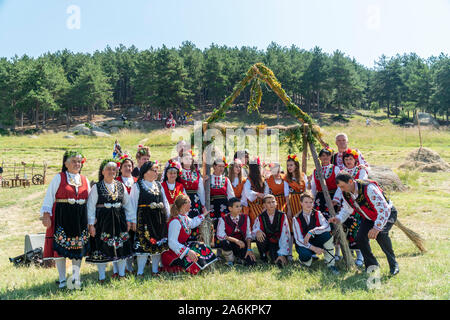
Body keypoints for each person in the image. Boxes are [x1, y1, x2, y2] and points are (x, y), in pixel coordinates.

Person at [329, 172, 399, 275]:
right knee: (360, 237)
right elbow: (347, 209)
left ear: (350, 181)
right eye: (340, 187)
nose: (342, 190)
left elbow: (384, 209)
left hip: (387, 213)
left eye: (343, 186)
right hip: (369, 217)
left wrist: (376, 228)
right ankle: (372, 265)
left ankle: (394, 265)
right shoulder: (346, 193)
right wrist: (339, 218)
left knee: (381, 235)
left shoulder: (368, 188)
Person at [40, 150, 90, 289]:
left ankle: (75, 278)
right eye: (74, 161)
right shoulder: (59, 178)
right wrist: (46, 215)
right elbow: (49, 197)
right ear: (66, 163)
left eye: (79, 161)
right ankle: (62, 279)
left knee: (77, 248)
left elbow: (90, 201)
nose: (77, 164)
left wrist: (91, 219)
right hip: (61, 216)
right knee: (61, 248)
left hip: (80, 218)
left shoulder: (85, 180)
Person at [85, 159, 134, 283]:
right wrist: (91, 224)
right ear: (102, 171)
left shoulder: (120, 185)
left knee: (121, 246)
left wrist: (129, 219)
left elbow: (127, 204)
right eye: (108, 169)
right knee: (102, 247)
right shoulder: (97, 187)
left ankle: (122, 274)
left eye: (114, 169)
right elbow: (90, 206)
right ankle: (102, 277)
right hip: (103, 221)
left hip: (119, 220)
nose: (111, 171)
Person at [130, 161, 171, 277]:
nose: (156, 172)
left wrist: (167, 215)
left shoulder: (158, 185)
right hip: (144, 219)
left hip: (159, 219)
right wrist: (133, 221)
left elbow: (165, 201)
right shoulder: (137, 186)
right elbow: (132, 204)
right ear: (145, 172)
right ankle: (140, 272)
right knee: (144, 246)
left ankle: (155, 270)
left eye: (157, 170)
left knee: (158, 245)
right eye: (154, 170)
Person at [161, 194, 218, 275]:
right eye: (189, 203)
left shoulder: (184, 218)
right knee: (194, 255)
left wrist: (203, 215)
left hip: (179, 250)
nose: (191, 205)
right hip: (171, 255)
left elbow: (193, 222)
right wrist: (187, 251)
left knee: (200, 246)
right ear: (184, 205)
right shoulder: (175, 221)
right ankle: (193, 269)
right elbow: (172, 242)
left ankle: (204, 267)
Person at [332, 150, 368, 267]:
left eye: (350, 159)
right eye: (346, 159)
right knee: (347, 229)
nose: (348, 161)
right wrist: (336, 200)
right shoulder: (342, 172)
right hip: (347, 203)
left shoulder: (361, 170)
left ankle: (360, 257)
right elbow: (339, 188)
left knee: (356, 230)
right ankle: (349, 254)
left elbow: (363, 183)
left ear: (355, 160)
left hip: (359, 204)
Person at [292, 192, 339, 275]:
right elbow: (299, 239)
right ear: (301, 203)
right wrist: (314, 249)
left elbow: (327, 226)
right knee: (305, 255)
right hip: (304, 244)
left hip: (316, 240)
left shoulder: (318, 213)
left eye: (310, 202)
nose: (308, 205)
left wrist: (312, 231)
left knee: (327, 235)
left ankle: (330, 264)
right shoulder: (296, 218)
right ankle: (304, 262)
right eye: (306, 202)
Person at [114, 154, 138, 275]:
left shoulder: (137, 181)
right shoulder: (116, 181)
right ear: (120, 168)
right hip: (119, 215)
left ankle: (129, 266)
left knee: (131, 241)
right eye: (125, 166)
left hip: (134, 215)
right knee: (119, 241)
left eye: (130, 166)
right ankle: (116, 268)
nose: (128, 168)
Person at [252, 194, 290, 267]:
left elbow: (284, 234)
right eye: (268, 203)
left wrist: (282, 253)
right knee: (259, 236)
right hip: (266, 242)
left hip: (278, 242)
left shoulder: (282, 215)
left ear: (276, 203)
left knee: (275, 259)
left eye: (273, 202)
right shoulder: (260, 217)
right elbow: (253, 231)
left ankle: (277, 256)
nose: (271, 204)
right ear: (264, 205)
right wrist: (257, 231)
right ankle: (264, 255)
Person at [216, 198, 256, 267]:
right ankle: (230, 260)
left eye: (240, 206)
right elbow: (220, 235)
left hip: (242, 244)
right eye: (237, 206)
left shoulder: (245, 217)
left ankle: (240, 258)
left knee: (251, 263)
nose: (240, 208)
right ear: (230, 208)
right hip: (230, 244)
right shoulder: (223, 219)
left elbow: (248, 234)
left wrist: (249, 249)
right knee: (224, 242)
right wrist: (236, 240)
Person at [179, 150, 207, 242]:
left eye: (190, 159)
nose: (188, 160)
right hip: (182, 200)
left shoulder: (196, 173)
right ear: (182, 160)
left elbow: (201, 190)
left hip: (195, 201)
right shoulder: (178, 172)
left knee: (195, 221)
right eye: (186, 158)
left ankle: (195, 243)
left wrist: (203, 205)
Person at [209, 157, 235, 246]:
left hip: (223, 207)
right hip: (212, 206)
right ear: (214, 166)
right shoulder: (208, 178)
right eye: (219, 166)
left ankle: (223, 248)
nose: (221, 169)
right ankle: (212, 247)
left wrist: (233, 207)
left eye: (223, 167)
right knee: (213, 226)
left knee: (222, 226)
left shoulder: (226, 180)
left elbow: (231, 195)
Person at [310, 148, 341, 217]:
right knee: (319, 217)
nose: (325, 157)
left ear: (330, 157)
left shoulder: (335, 169)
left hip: (332, 197)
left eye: (328, 155)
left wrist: (336, 199)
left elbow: (340, 185)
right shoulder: (315, 171)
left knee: (332, 217)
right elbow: (313, 187)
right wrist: (312, 199)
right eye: (323, 155)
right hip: (320, 198)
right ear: (320, 158)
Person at [242, 158, 269, 228]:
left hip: (263, 205)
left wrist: (265, 204)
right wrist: (257, 194)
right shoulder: (249, 180)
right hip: (253, 206)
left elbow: (266, 192)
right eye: (260, 167)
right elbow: (247, 192)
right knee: (257, 217)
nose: (261, 169)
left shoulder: (263, 180)